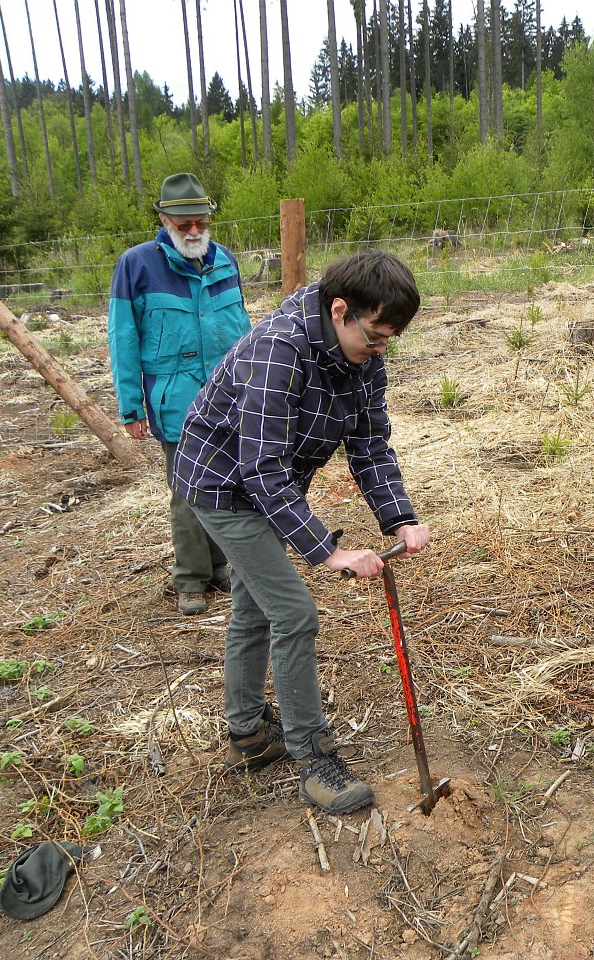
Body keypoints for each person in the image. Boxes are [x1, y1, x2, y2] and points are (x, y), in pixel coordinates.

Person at [172, 251, 431, 814]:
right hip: (222, 485)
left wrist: (400, 518)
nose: (380, 349)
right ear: (340, 310)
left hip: (267, 482)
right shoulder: (279, 350)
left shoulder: (361, 355)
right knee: (293, 613)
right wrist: (328, 550)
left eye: (390, 340)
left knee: (256, 607)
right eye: (376, 336)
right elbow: (260, 468)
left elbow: (369, 444)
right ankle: (313, 759)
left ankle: (246, 733)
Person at [108, 173, 252, 615]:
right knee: (188, 494)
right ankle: (190, 579)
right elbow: (123, 339)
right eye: (183, 223)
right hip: (177, 404)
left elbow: (244, 333)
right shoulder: (136, 266)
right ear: (163, 220)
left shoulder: (224, 260)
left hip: (230, 399)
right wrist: (131, 407)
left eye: (200, 222)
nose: (193, 230)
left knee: (229, 486)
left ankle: (221, 565)